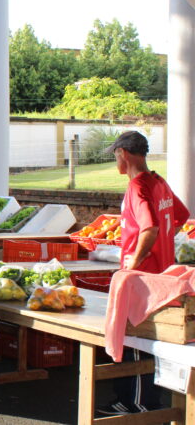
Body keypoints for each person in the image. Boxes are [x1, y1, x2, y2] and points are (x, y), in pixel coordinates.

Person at [97, 131, 190, 416]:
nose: (116, 161)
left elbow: (149, 228)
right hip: (162, 274)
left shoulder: (137, 187)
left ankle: (135, 403)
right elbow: (181, 216)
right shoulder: (158, 182)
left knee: (136, 339)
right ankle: (142, 401)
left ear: (124, 153)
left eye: (116, 155)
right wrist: (162, 244)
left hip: (142, 278)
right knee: (151, 338)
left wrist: (132, 265)